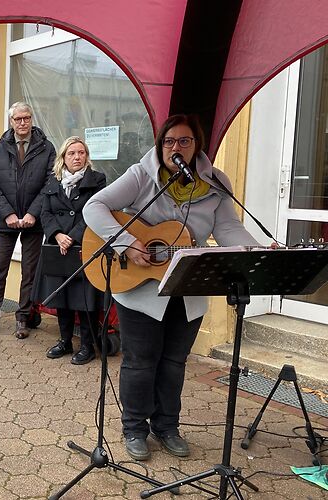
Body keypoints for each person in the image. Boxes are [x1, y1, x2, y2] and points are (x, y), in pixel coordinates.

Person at [83, 114, 262, 461]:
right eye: (169, 141)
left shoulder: (215, 184)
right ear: (160, 144)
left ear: (197, 146)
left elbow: (227, 228)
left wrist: (256, 250)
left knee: (174, 362)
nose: (175, 148)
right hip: (140, 290)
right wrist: (128, 243)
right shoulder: (141, 175)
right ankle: (133, 428)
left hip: (189, 288)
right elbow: (95, 207)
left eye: (184, 141)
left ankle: (166, 427)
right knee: (140, 361)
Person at [0, 102, 55, 340]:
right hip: (7, 221)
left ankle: (23, 318)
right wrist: (8, 214)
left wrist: (33, 213)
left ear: (32, 119)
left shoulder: (46, 148)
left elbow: (50, 183)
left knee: (29, 272)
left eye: (26, 118)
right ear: (11, 121)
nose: (22, 123)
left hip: (35, 221)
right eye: (18, 119)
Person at [32, 137, 106, 365]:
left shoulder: (97, 180)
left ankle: (87, 346)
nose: (77, 157)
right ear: (63, 157)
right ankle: (64, 341)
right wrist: (57, 235)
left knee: (84, 300)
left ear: (87, 156)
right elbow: (45, 213)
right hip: (58, 247)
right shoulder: (53, 182)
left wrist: (73, 236)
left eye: (81, 153)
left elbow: (95, 212)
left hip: (84, 246)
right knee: (61, 296)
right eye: (72, 153)